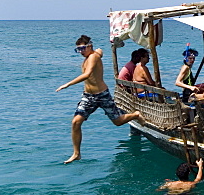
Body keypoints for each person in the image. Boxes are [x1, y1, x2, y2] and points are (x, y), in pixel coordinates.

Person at [56, 35, 142, 164]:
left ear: (89, 46)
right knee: (76, 122)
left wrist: (67, 84)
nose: (81, 52)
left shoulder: (93, 56)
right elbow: (100, 50)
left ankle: (135, 115)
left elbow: (87, 74)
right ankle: (76, 153)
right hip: (88, 96)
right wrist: (98, 50)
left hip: (102, 94)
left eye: (83, 48)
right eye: (78, 49)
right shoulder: (91, 55)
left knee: (118, 122)